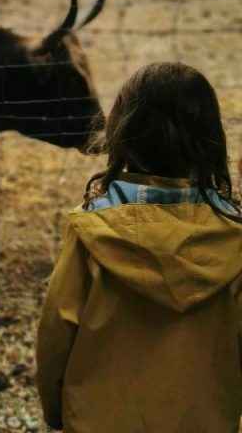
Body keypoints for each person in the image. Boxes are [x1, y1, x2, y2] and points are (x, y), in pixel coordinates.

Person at [36, 61, 242, 433]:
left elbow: (57, 332)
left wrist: (55, 409)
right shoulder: (235, 240)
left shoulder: (91, 230)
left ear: (123, 131)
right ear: (210, 137)